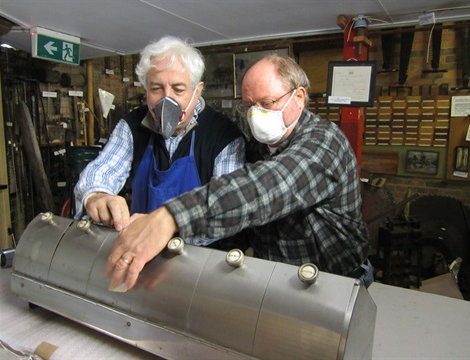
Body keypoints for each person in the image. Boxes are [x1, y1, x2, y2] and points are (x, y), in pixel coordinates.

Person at [106, 53, 372, 292]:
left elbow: (264, 188)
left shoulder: (324, 144)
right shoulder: (259, 146)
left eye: (267, 103)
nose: (256, 115)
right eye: (249, 106)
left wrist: (168, 218)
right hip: (280, 282)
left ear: (299, 98)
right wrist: (180, 251)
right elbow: (241, 217)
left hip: (335, 285)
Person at [74, 36, 246, 242]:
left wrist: (169, 228)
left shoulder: (224, 136)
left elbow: (228, 208)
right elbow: (102, 170)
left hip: (201, 262)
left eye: (178, 89)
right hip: (141, 252)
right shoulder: (131, 126)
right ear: (146, 91)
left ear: (197, 90)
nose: (167, 99)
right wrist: (97, 196)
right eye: (156, 89)